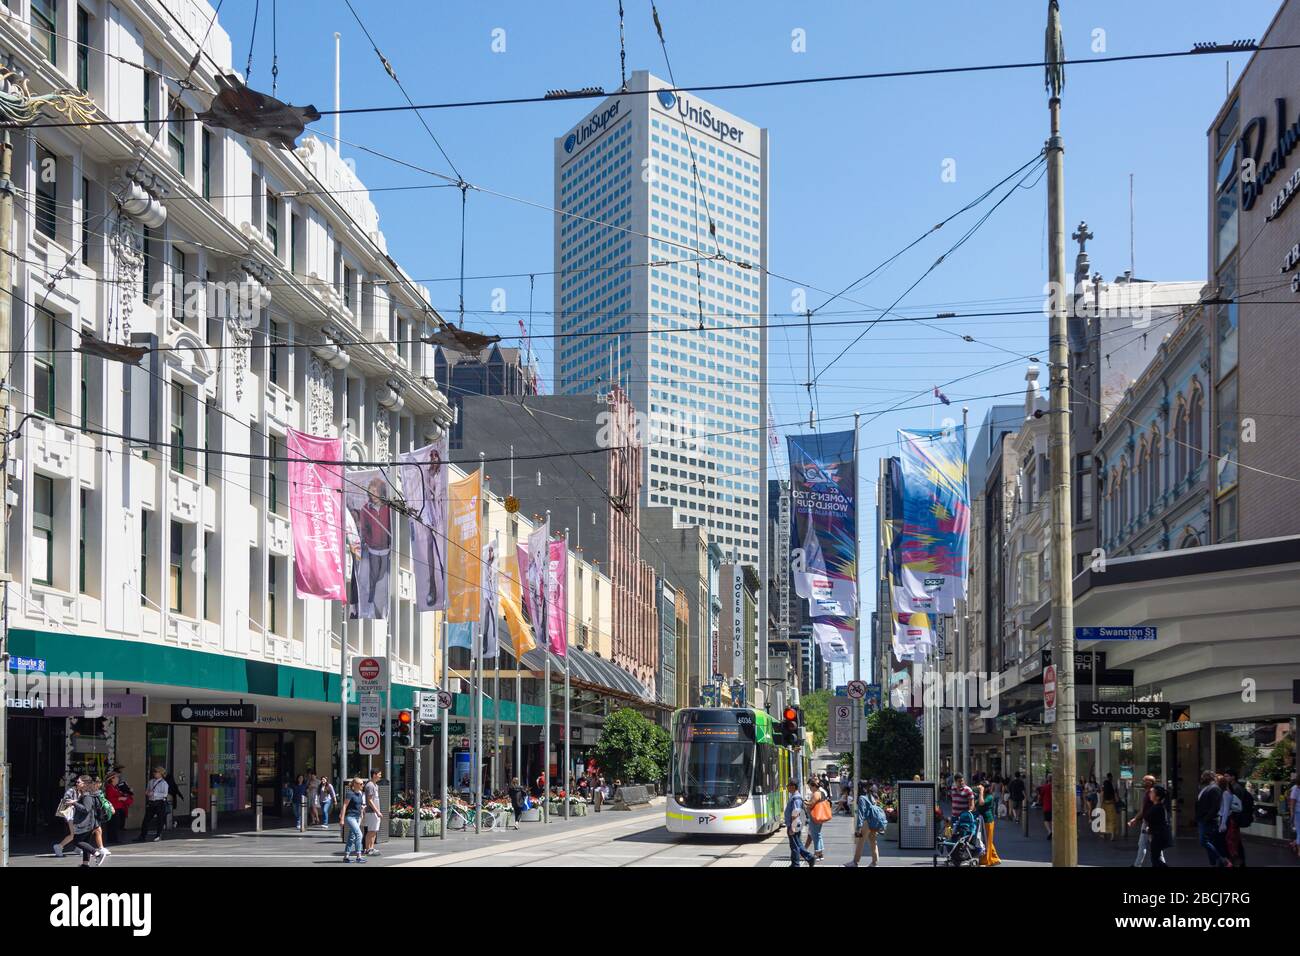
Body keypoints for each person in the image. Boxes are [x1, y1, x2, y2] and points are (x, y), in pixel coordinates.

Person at [68, 776, 109, 867]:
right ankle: (85, 864)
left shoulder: (87, 795)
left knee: (77, 841)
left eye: (79, 782)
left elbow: (86, 809)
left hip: (86, 823)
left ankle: (97, 854)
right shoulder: (87, 794)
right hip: (90, 822)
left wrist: (74, 803)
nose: (77, 784)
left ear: (85, 784)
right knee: (85, 842)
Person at [1195, 770, 1229, 867]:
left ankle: (1222, 860)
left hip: (1208, 820)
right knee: (1209, 842)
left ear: (1210, 777)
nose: (1202, 778)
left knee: (1204, 841)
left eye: (1204, 776)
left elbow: (1215, 807)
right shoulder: (1206, 788)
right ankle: (1214, 862)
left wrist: (1206, 818)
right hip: (1203, 819)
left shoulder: (1215, 789)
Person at [847, 784, 886, 867]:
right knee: (873, 842)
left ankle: (855, 862)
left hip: (867, 822)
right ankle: (874, 862)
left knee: (860, 842)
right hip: (874, 822)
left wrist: (859, 827)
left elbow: (861, 814)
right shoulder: (873, 797)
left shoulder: (862, 798)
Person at [783, 780, 816, 867]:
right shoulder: (794, 796)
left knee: (794, 846)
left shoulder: (796, 798)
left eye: (788, 786)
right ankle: (809, 858)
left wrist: (792, 827)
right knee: (798, 844)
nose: (787, 788)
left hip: (794, 824)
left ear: (793, 786)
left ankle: (796, 864)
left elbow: (796, 812)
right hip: (795, 824)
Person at [1127, 774, 1156, 866]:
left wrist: (1135, 819)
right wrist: (1135, 819)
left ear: (1150, 783)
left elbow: (1147, 810)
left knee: (1149, 845)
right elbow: (1143, 810)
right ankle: (1137, 864)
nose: (1143, 782)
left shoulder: (1151, 793)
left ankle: (1137, 865)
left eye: (1145, 781)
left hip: (1149, 823)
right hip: (1147, 822)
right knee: (1145, 844)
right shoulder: (1149, 793)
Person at [138, 766, 170, 842]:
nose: (154, 774)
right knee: (146, 820)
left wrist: (154, 794)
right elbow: (147, 790)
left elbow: (165, 794)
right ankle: (142, 836)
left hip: (160, 802)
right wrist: (147, 793)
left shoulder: (164, 783)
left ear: (161, 773)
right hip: (151, 802)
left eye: (156, 772)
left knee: (160, 820)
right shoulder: (151, 781)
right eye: (154, 772)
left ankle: (158, 835)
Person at [340, 777, 367, 863]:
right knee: (359, 834)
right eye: (361, 784)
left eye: (363, 784)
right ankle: (358, 856)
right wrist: (342, 819)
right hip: (350, 817)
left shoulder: (360, 793)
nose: (363, 785)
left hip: (357, 817)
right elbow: (344, 806)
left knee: (351, 837)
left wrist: (362, 814)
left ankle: (346, 856)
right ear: (355, 784)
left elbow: (360, 806)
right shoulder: (350, 793)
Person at [52, 776, 81, 857]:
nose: (81, 784)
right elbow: (66, 801)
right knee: (73, 834)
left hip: (77, 815)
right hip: (71, 815)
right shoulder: (71, 791)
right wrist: (76, 801)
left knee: (79, 833)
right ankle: (59, 846)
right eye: (79, 782)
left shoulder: (81, 791)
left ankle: (78, 847)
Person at [1145, 785, 1173, 867]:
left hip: (1158, 836)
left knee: (1155, 859)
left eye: (1152, 792)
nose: (1150, 794)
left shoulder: (1158, 808)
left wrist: (1149, 829)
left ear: (1157, 797)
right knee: (1156, 858)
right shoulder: (1158, 807)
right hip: (1158, 836)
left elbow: (1149, 819)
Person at [804, 777, 831, 860]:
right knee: (818, 835)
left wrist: (804, 802)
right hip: (820, 817)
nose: (810, 789)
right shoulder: (821, 792)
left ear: (813, 786)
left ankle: (816, 853)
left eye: (810, 787)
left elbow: (811, 804)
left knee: (815, 835)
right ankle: (820, 854)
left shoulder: (816, 793)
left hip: (815, 817)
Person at [104, 771, 133, 844]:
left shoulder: (115, 787)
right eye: (116, 777)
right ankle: (113, 839)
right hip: (113, 808)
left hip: (118, 808)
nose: (118, 779)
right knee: (113, 824)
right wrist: (119, 798)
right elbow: (109, 799)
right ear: (112, 779)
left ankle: (114, 839)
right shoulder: (109, 787)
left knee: (116, 824)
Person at [978, 777, 1001, 866]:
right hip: (982, 820)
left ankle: (986, 861)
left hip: (988, 821)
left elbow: (981, 803)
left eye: (983, 787)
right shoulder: (983, 795)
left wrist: (980, 792)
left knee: (987, 841)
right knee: (987, 840)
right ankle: (995, 858)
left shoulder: (989, 796)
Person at [362, 769, 383, 856]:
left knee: (374, 831)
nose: (380, 776)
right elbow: (369, 800)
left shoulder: (375, 786)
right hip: (371, 812)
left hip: (375, 812)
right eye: (379, 774)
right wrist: (377, 811)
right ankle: (367, 849)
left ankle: (371, 847)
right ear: (374, 775)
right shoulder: (370, 785)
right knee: (370, 831)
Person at [1101, 773, 1119, 841]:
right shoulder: (1113, 785)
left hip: (1105, 803)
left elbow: (1102, 794)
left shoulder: (1105, 784)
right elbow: (1116, 794)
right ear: (1111, 777)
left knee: (1104, 819)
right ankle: (1112, 835)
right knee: (1112, 820)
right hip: (1111, 804)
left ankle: (1104, 834)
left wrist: (1101, 803)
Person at [1038, 774, 1054, 839]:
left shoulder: (1044, 787)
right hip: (1054, 806)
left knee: (1046, 820)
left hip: (1047, 806)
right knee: (1053, 819)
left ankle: (1049, 831)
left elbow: (1040, 796)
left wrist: (1039, 802)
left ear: (1047, 779)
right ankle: (1053, 831)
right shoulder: (1055, 787)